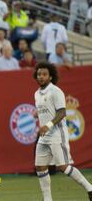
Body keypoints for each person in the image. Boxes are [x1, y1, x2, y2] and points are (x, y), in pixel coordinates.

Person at [33, 62, 92, 201]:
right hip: (44, 137)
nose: (41, 76)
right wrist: (39, 116)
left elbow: (62, 113)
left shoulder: (56, 91)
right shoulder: (36, 94)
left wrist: (47, 125)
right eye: (39, 74)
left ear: (51, 77)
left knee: (63, 167)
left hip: (57, 135)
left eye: (44, 74)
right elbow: (47, 110)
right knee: (40, 167)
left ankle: (90, 188)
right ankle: (48, 199)